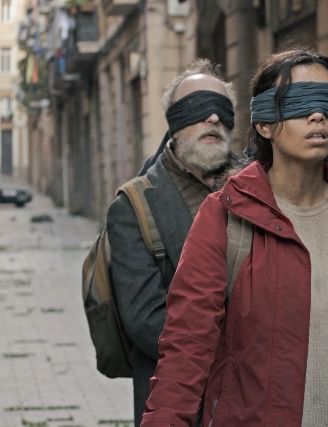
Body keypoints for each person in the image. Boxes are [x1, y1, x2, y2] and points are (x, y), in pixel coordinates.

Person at [141, 48, 328, 426]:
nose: (317, 115)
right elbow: (186, 349)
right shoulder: (224, 217)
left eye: (327, 102)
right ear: (264, 124)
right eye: (299, 102)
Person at [106, 59, 237, 426]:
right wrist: (238, 347)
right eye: (197, 109)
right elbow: (144, 319)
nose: (213, 118)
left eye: (221, 109)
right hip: (179, 401)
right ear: (174, 125)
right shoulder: (133, 206)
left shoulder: (260, 186)